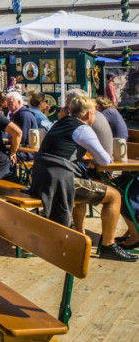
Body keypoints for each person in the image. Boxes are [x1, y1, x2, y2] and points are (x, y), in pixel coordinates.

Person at [30, 95, 136, 262]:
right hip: (60, 181)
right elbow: (105, 160)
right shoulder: (82, 129)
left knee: (86, 192)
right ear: (87, 114)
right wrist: (93, 160)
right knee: (114, 196)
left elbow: (60, 150)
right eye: (94, 113)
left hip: (41, 178)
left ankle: (80, 234)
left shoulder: (60, 123)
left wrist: (82, 159)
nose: (95, 116)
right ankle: (108, 245)